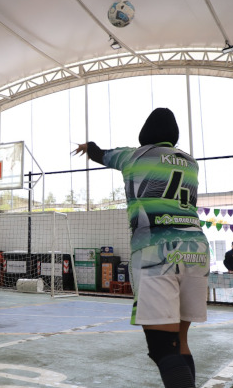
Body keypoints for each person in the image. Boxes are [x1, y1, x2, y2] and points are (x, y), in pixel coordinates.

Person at [73, 108, 209, 388]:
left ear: (145, 133)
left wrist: (88, 147)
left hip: (157, 251)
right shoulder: (191, 162)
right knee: (180, 341)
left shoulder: (134, 155)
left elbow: (101, 154)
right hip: (196, 250)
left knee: (162, 347)